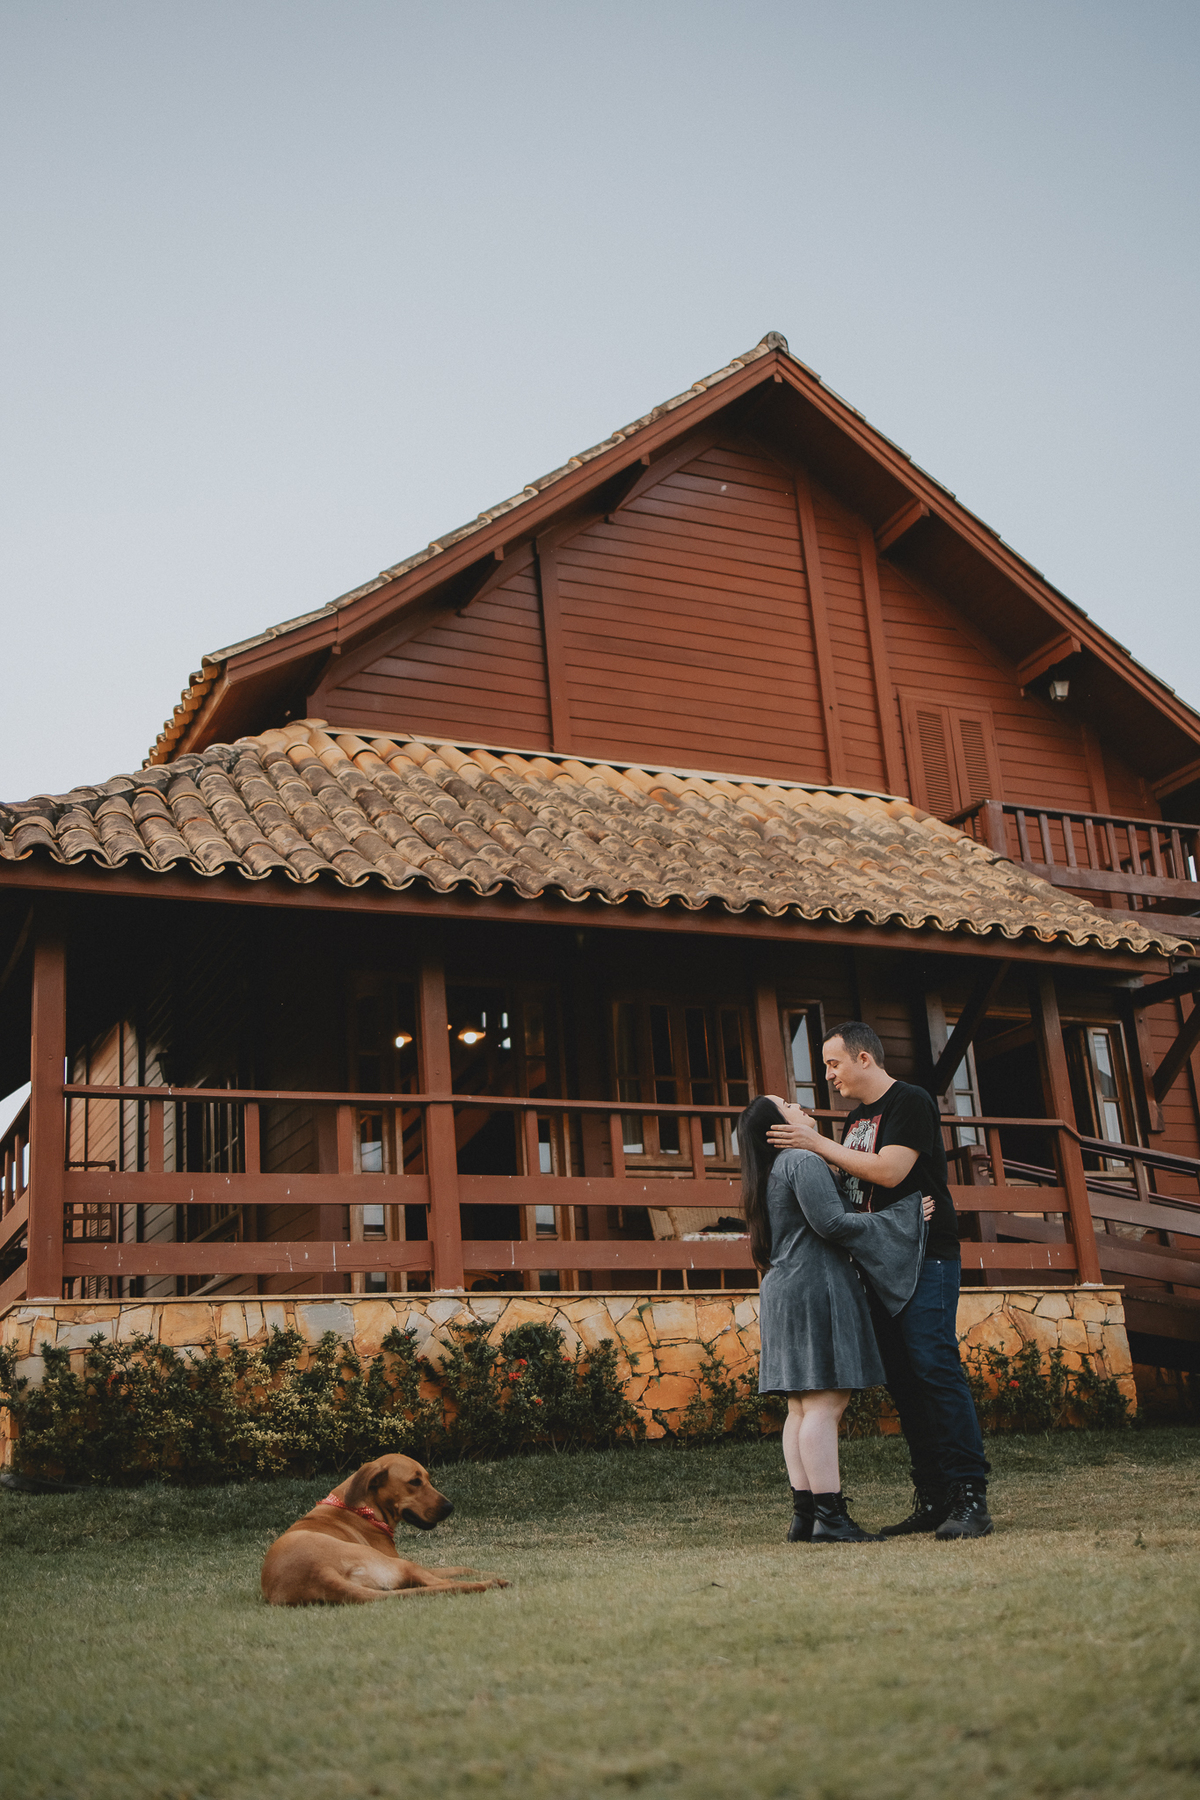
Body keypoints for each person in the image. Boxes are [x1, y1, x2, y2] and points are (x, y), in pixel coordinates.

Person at [765, 1021, 994, 1540]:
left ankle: (969, 1496)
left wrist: (815, 1142)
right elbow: (852, 1192)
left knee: (935, 1368)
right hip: (877, 1263)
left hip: (925, 1258)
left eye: (833, 1063)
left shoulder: (910, 1101)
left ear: (863, 1058)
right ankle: (934, 1496)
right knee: (904, 1380)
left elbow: (890, 1172)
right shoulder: (855, 1121)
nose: (828, 1075)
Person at [739, 1093, 930, 1545]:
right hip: (814, 1287)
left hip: (784, 1288)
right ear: (777, 1126)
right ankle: (831, 1518)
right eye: (787, 1104)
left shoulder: (770, 1170)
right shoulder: (801, 1161)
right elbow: (832, 1224)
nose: (799, 1105)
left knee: (801, 1407)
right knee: (825, 1405)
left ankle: (805, 1516)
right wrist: (903, 1217)